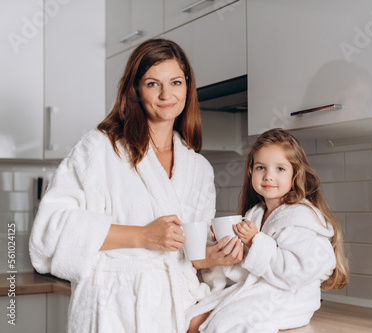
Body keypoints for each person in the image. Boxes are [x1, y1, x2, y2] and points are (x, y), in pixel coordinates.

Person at [29, 39, 243, 333]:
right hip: (113, 310)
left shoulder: (199, 169)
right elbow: (48, 235)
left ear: (187, 88)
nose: (167, 94)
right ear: (136, 90)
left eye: (176, 82)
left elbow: (186, 256)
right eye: (153, 84)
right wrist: (143, 236)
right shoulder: (100, 149)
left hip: (175, 311)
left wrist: (211, 257)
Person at [186, 128, 349, 332]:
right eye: (261, 167)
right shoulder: (256, 213)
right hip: (257, 291)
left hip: (287, 298)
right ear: (251, 172)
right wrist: (227, 243)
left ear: (295, 173)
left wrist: (255, 241)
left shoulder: (301, 217)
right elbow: (247, 270)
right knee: (190, 320)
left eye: (280, 169)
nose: (268, 176)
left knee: (221, 325)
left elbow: (297, 271)